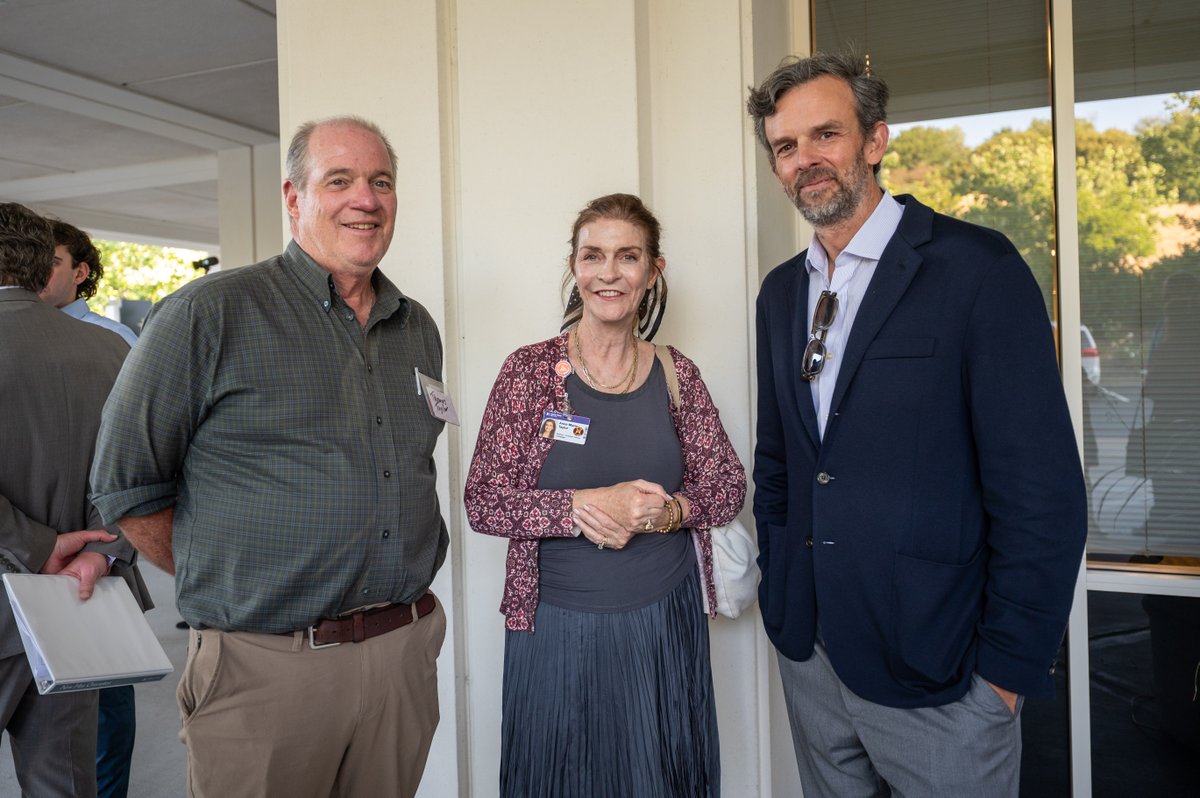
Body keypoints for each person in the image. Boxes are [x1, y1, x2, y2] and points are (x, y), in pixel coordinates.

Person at [746, 54, 1087, 796]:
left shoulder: (975, 269)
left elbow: (1043, 495)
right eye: (785, 145)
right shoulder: (781, 295)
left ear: (875, 141)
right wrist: (783, 600)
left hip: (946, 677)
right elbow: (779, 462)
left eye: (825, 134)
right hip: (812, 659)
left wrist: (1005, 676)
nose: (806, 160)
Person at [89, 116, 450, 798]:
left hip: (401, 652)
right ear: (294, 197)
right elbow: (126, 484)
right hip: (267, 666)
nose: (364, 199)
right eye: (338, 180)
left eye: (381, 182)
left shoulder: (417, 327)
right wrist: (232, 575)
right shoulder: (211, 312)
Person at [465, 193, 745, 797]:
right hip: (554, 628)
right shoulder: (529, 373)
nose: (608, 272)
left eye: (627, 256)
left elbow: (726, 486)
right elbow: (483, 499)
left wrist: (666, 512)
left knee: (658, 777)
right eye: (593, 256)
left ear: (652, 271)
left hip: (663, 627)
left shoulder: (677, 373)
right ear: (574, 266)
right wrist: (587, 506)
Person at [0, 202, 151, 798]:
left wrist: (38, 547)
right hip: (76, 600)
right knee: (64, 782)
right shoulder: (110, 351)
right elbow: (145, 470)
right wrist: (101, 549)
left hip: (27, 579)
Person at [38, 218, 140, 798]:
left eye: (49, 260)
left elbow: (137, 458)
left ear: (80, 272)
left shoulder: (117, 344)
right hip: (23, 548)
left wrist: (113, 544)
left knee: (101, 695)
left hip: (92, 549)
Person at [40, 220, 139, 347]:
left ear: (80, 273)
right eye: (30, 263)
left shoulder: (115, 336)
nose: (37, 271)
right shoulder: (15, 329)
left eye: (52, 263)